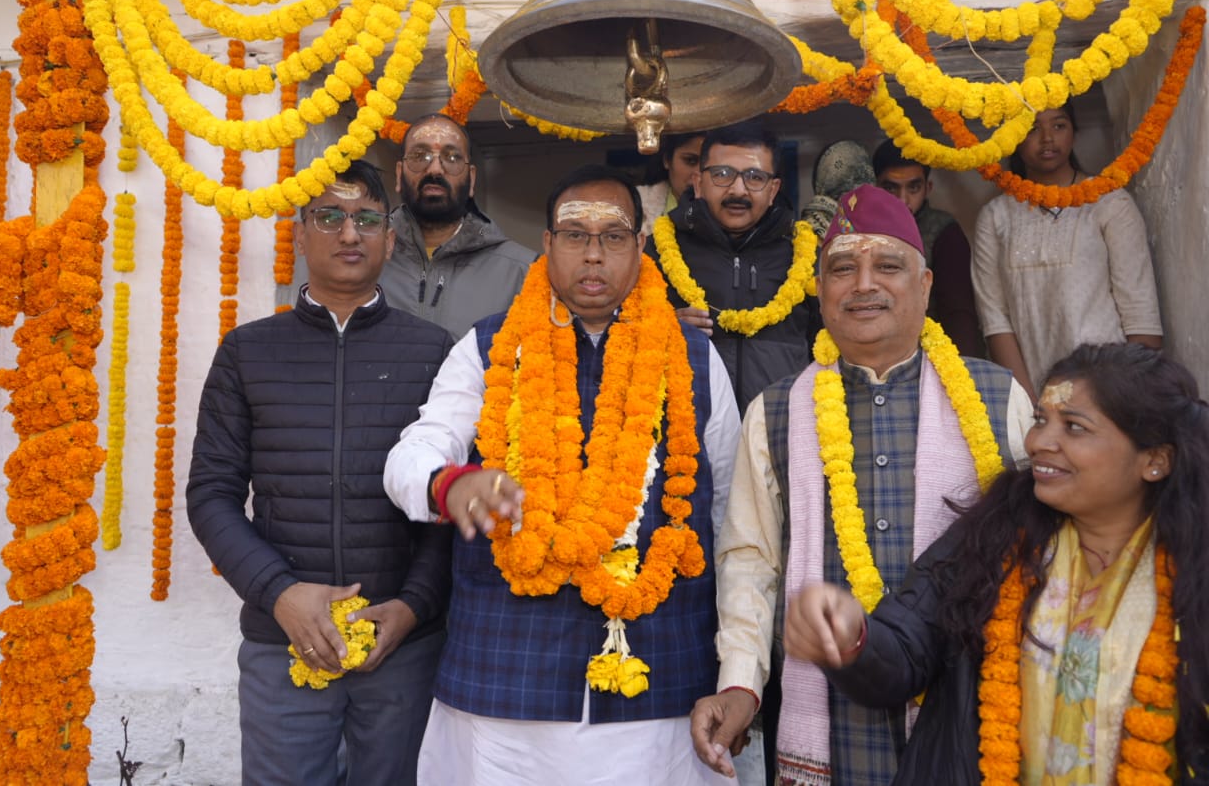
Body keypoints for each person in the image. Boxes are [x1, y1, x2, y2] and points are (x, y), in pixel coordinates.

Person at [384, 165, 742, 785]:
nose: (594, 253)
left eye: (614, 234)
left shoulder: (697, 359)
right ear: (547, 245)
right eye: (576, 235)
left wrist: (737, 670)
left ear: (640, 245)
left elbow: (731, 523)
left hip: (657, 685)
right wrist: (453, 484)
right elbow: (412, 455)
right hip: (507, 686)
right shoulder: (489, 345)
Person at [690, 184, 1035, 785]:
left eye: (888, 265)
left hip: (966, 708)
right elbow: (751, 560)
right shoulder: (774, 413)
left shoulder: (999, 398)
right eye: (842, 268)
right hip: (827, 713)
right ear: (819, 290)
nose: (863, 284)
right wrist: (740, 682)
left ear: (925, 286)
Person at [784, 343, 1209, 785]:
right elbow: (905, 652)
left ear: (1155, 460)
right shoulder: (995, 536)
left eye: (1074, 428)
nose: (1040, 442)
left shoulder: (1195, 571)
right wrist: (853, 636)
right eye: (1042, 420)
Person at [186, 161, 454, 786]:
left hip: (401, 647)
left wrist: (413, 607)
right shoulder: (247, 351)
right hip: (282, 640)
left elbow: (448, 502)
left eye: (366, 219)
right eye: (329, 217)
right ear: (300, 234)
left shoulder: (434, 350)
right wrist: (279, 593)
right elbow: (211, 495)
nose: (349, 234)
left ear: (392, 237)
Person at [972, 103, 1163, 394]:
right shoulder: (996, 217)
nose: (1047, 138)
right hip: (1034, 390)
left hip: (1109, 389)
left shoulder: (1109, 203)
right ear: (1012, 137)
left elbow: (1141, 314)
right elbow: (995, 320)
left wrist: (1127, 397)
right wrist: (1032, 406)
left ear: (1074, 133)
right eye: (1032, 128)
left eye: (1059, 126)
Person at [647, 120, 820, 414]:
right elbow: (617, 338)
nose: (738, 190)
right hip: (688, 438)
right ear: (699, 183)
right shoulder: (655, 253)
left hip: (782, 437)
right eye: (722, 175)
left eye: (755, 177)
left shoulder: (806, 257)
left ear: (773, 189)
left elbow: (832, 350)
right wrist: (662, 330)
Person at [381, 113, 537, 340]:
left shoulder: (523, 271)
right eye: (419, 155)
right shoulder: (362, 256)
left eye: (452, 157)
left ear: (471, 179)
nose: (435, 169)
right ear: (398, 174)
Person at [873, 139, 984, 358]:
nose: (902, 200)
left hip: (934, 357)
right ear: (875, 188)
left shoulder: (944, 231)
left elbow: (958, 313)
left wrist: (958, 374)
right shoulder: (861, 233)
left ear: (927, 188)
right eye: (890, 188)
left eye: (913, 187)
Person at [638, 130, 706, 234]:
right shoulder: (636, 205)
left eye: (707, 164)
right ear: (667, 160)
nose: (698, 174)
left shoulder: (730, 211)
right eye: (690, 161)